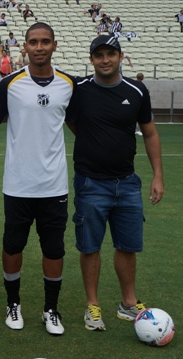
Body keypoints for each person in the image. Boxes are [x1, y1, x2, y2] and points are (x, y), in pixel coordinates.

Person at [65, 35, 164, 331]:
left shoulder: (137, 90)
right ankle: (92, 306)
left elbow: (150, 133)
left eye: (111, 54)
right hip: (90, 183)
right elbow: (72, 122)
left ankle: (128, 304)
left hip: (128, 183)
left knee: (127, 246)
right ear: (91, 59)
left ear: (121, 57)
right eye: (99, 55)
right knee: (89, 247)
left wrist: (158, 175)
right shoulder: (80, 90)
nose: (105, 60)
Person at [0, 22, 76, 336]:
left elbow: (80, 128)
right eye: (33, 42)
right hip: (18, 184)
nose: (39, 47)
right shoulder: (9, 84)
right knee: (13, 246)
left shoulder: (69, 84)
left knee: (54, 249)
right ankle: (13, 304)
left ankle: (51, 309)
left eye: (45, 42)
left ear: (54, 45)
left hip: (54, 185)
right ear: (24, 46)